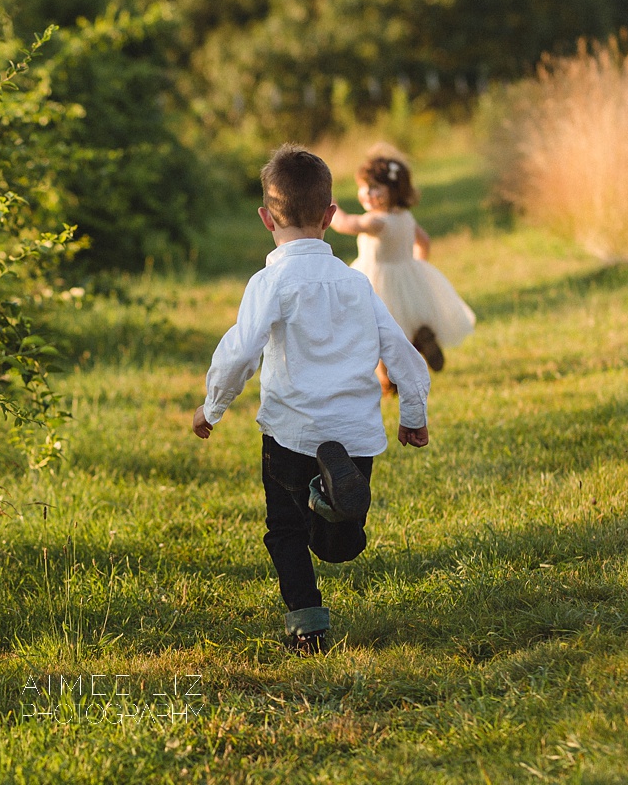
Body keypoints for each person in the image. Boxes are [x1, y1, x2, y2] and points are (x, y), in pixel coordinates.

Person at [191, 145, 430, 655]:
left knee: (284, 530)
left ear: (264, 218)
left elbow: (240, 351)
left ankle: (308, 625)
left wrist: (212, 406)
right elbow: (399, 350)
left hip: (291, 432)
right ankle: (335, 508)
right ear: (329, 215)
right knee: (338, 543)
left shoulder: (270, 282)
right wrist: (413, 413)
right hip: (355, 433)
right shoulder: (356, 282)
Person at [330, 149, 475, 391]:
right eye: (364, 186)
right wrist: (417, 267)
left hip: (375, 281)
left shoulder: (375, 221)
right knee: (401, 328)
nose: (367, 193)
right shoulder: (405, 217)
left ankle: (387, 382)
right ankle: (419, 341)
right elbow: (424, 241)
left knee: (373, 332)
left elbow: (345, 224)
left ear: (394, 191)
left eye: (375, 187)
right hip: (406, 273)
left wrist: (328, 202)